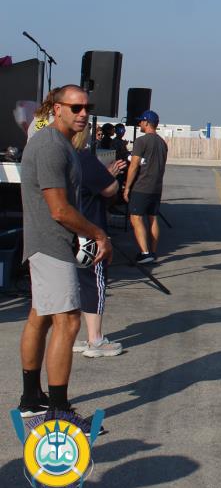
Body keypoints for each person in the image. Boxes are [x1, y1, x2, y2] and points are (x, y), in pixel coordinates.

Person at [18, 85, 112, 417]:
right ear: (57, 109)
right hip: (52, 245)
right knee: (69, 321)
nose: (83, 113)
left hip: (50, 244)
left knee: (40, 317)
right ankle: (58, 409)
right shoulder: (50, 147)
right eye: (75, 108)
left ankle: (31, 398)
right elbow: (59, 210)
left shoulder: (63, 144)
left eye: (87, 107)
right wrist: (98, 233)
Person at [72, 124, 127, 357]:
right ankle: (95, 339)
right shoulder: (84, 158)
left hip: (68, 230)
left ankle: (77, 336)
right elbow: (110, 188)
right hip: (90, 230)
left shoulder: (62, 158)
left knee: (76, 283)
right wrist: (110, 174)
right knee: (95, 281)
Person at [124, 110, 168, 264]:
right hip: (156, 187)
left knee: (136, 217)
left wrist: (127, 187)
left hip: (142, 186)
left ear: (147, 123)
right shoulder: (162, 143)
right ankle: (153, 252)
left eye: (141, 121)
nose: (139, 124)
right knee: (153, 218)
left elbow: (134, 165)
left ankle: (145, 253)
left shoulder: (141, 141)